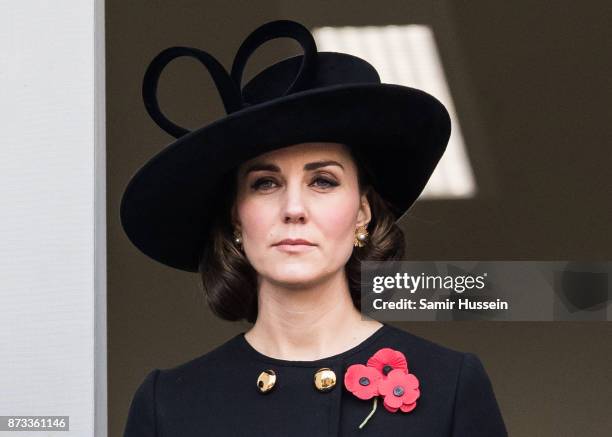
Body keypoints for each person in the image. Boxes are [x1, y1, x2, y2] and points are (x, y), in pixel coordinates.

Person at [120, 19, 507, 436]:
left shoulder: (448, 386)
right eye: (265, 183)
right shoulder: (170, 404)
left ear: (363, 213)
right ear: (236, 216)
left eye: (323, 181)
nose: (293, 209)